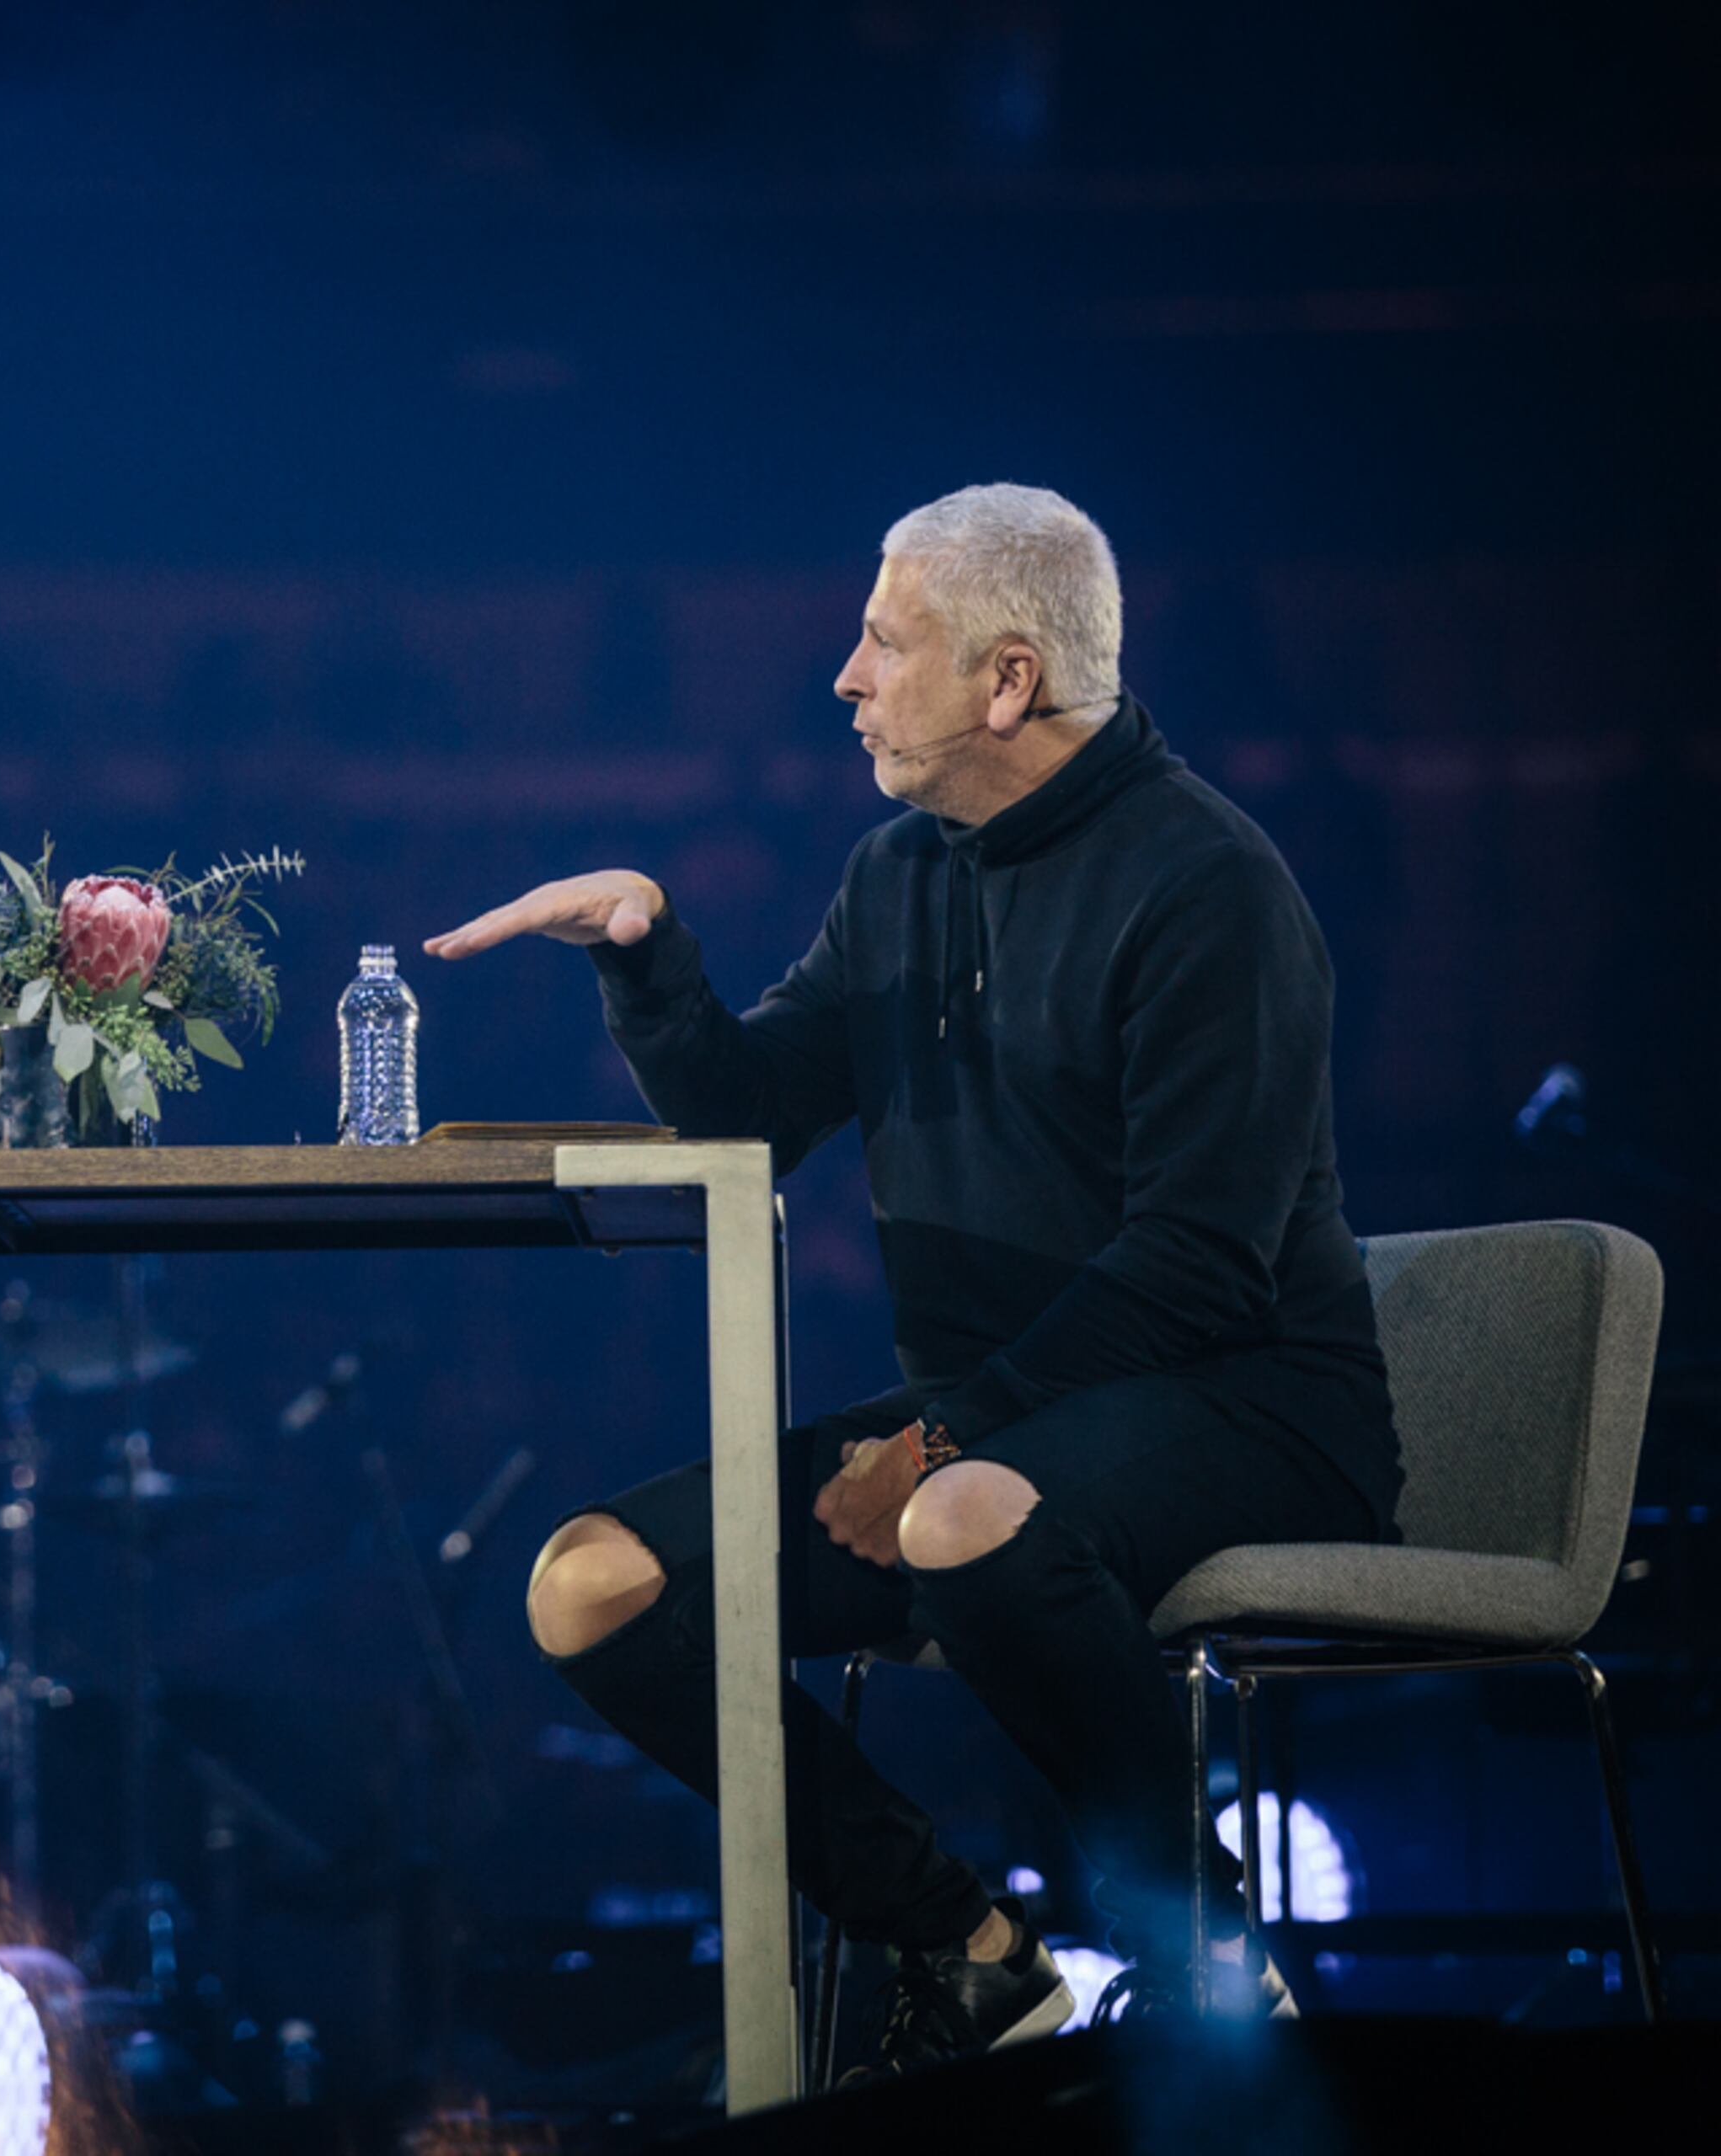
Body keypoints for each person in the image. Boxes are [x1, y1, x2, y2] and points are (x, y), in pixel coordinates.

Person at [427, 483, 1398, 2076]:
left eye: (885, 642)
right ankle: (970, 1953)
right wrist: (646, 955)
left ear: (1007, 680)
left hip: (1250, 1402)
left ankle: (1207, 1951)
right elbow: (752, 1111)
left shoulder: (1211, 886)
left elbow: (1201, 1264)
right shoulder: (903, 874)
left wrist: (946, 1446)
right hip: (997, 1424)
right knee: (593, 1588)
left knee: (959, 1516)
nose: (845, 677)